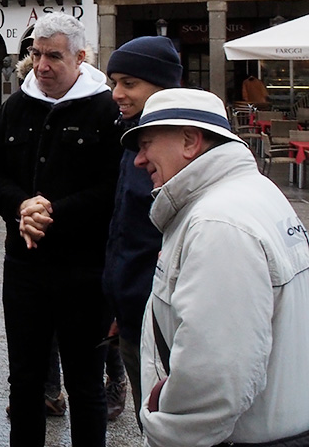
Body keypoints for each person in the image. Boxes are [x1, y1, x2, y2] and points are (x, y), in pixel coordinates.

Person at [122, 89, 309, 447]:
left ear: (190, 141)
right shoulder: (253, 192)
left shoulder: (218, 223)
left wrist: (165, 433)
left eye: (147, 144)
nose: (139, 160)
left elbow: (215, 375)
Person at [0, 13, 121, 447]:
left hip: (84, 271)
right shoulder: (15, 106)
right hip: (24, 268)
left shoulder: (105, 109)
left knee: (84, 382)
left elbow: (110, 188)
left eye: (54, 56)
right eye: (36, 54)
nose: (41, 65)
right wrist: (21, 206)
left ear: (81, 57)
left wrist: (50, 213)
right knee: (24, 379)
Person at [103, 36, 183, 425]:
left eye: (129, 83)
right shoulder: (132, 137)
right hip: (135, 316)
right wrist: (121, 304)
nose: (117, 93)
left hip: (165, 326)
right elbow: (126, 231)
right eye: (114, 81)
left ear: (162, 86)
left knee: (165, 423)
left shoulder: (178, 148)